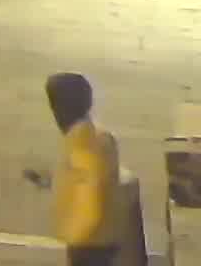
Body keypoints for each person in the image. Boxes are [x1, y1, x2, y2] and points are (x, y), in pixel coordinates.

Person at [40, 71, 133, 263]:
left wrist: (75, 234)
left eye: (55, 105)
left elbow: (92, 195)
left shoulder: (82, 143)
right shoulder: (97, 136)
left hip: (91, 242)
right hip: (102, 238)